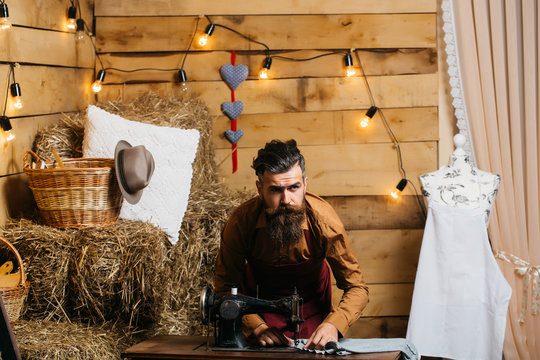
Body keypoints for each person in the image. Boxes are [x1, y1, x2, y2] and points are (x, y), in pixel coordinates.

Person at [214, 139, 369, 350]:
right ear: (260, 189)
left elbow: (357, 287)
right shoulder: (241, 222)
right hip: (257, 312)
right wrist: (256, 327)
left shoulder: (325, 221)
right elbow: (224, 288)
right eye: (276, 190)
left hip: (314, 311)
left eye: (294, 187)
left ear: (305, 184)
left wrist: (335, 324)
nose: (286, 199)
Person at [406, 134, 511, 359]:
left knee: (471, 347)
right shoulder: (430, 181)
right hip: (435, 292)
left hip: (474, 293)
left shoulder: (488, 181)